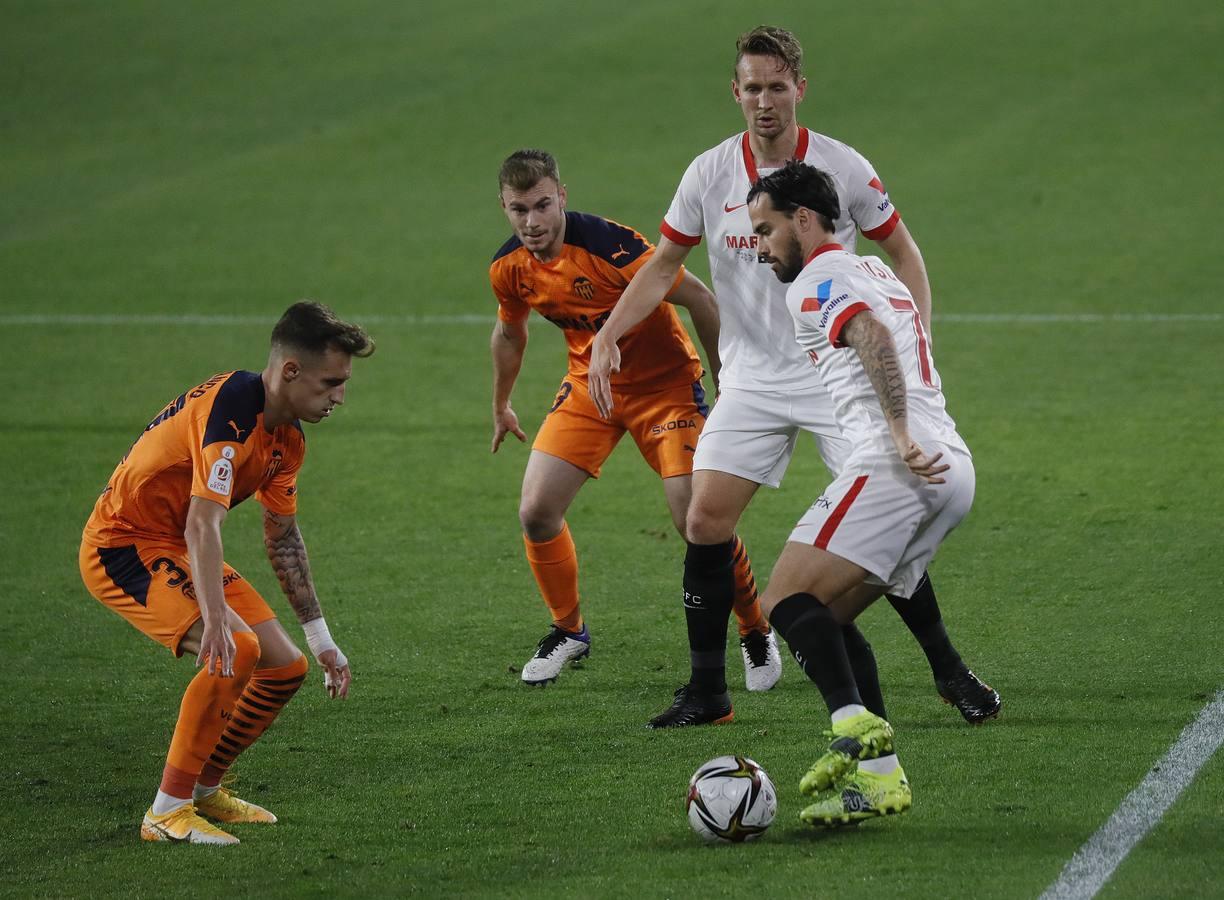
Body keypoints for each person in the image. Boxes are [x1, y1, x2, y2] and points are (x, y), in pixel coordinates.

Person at [588, 25, 998, 728]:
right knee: (703, 519)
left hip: (839, 376)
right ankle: (709, 691)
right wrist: (607, 335)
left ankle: (949, 672)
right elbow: (663, 264)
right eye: (752, 88)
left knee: (881, 521)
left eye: (777, 87)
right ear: (736, 92)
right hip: (752, 378)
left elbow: (906, 255)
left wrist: (915, 347)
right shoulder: (709, 173)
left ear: (799, 89)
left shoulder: (842, 167)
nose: (764, 101)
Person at [78, 301, 374, 845]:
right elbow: (202, 524)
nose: (340, 396)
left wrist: (321, 639)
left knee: (284, 668)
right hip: (122, 546)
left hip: (175, 543)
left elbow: (282, 537)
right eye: (331, 382)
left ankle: (203, 789)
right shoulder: (232, 413)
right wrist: (215, 619)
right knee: (234, 649)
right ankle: (165, 813)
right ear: (290, 371)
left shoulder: (286, 439)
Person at [490, 149, 781, 692]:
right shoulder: (508, 268)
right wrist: (502, 403)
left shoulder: (611, 247)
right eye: (518, 209)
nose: (532, 222)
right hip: (591, 389)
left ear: (562, 198)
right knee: (536, 510)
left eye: (542, 205)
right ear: (504, 208)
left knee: (696, 522)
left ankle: (755, 629)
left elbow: (703, 302)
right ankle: (569, 630)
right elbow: (510, 332)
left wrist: (729, 389)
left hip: (667, 392)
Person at [746, 159, 976, 825]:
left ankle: (855, 726)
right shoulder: (872, 269)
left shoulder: (817, 278)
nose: (760, 249)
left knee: (784, 599)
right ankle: (879, 781)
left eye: (766, 231)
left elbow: (869, 335)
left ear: (806, 220)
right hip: (950, 468)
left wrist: (899, 433)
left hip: (896, 463)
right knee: (831, 619)